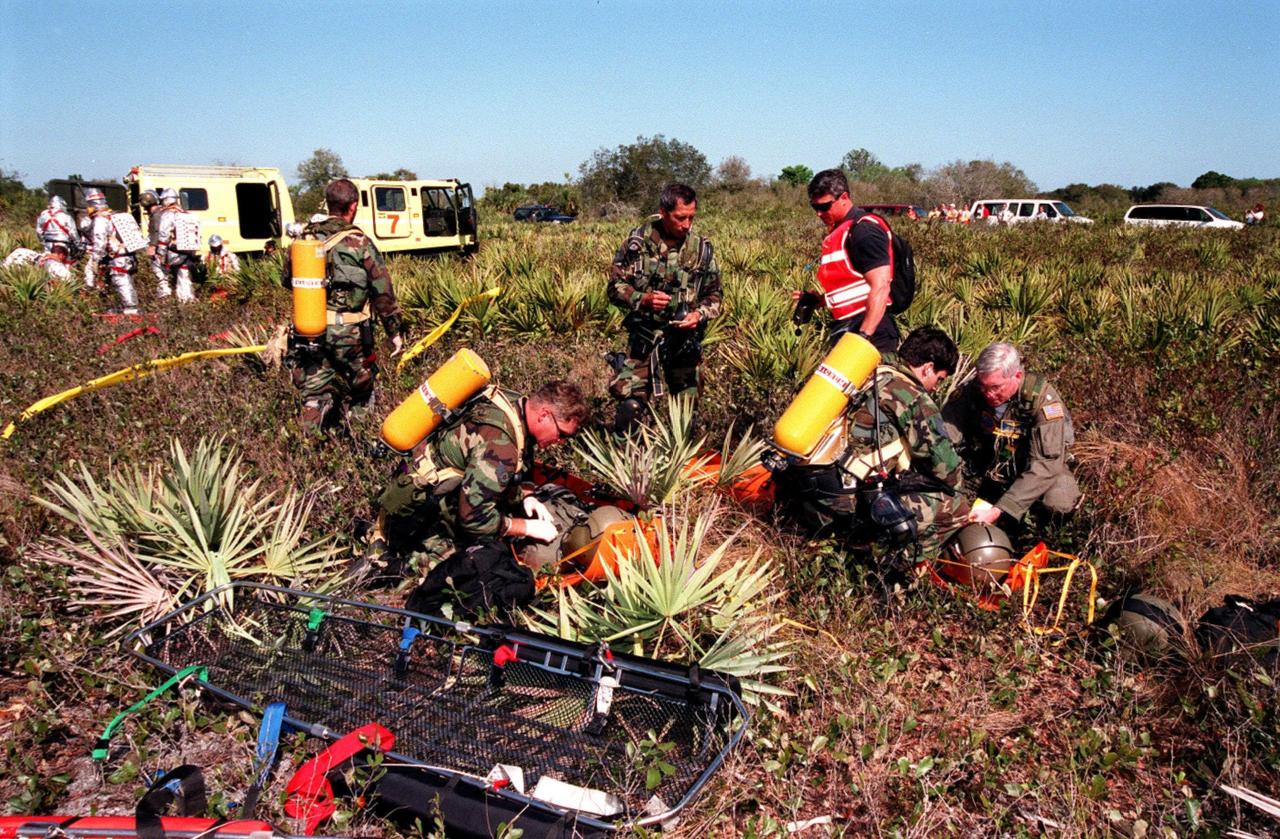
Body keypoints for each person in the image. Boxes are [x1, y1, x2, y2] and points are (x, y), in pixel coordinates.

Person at [374, 380, 589, 576]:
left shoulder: (513, 403)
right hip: (415, 513)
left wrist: (527, 495)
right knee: (465, 570)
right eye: (562, 434)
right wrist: (525, 526)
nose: (560, 442)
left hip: (422, 486)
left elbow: (524, 458)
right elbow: (474, 520)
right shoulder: (500, 447)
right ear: (544, 415)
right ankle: (384, 562)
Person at [282, 178, 405, 433]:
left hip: (309, 330)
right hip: (349, 335)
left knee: (313, 393)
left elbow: (287, 280)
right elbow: (382, 292)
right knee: (361, 386)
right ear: (353, 206)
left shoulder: (304, 237)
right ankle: (357, 441)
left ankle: (307, 447)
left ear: (329, 205)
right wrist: (394, 331)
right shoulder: (359, 243)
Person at [606, 183, 721, 432]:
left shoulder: (701, 249)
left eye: (691, 217)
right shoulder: (636, 245)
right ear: (663, 212)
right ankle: (626, 464)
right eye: (680, 217)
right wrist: (642, 298)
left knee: (686, 415)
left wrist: (698, 315)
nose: (687, 224)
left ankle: (679, 464)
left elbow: (714, 295)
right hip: (645, 341)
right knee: (630, 408)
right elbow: (614, 288)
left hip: (684, 343)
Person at [943, 342, 1080, 529]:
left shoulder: (1043, 402)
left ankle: (1038, 534)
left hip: (1035, 467)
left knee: (1059, 503)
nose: (989, 394)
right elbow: (944, 436)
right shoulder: (970, 392)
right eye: (983, 386)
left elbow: (1046, 465)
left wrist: (1000, 509)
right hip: (987, 463)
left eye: (996, 387)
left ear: (1016, 375)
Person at [803, 168, 901, 354]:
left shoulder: (864, 231)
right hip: (848, 327)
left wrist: (863, 338)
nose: (819, 214)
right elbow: (855, 286)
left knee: (873, 384)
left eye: (824, 207)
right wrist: (820, 301)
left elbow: (881, 286)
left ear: (844, 197)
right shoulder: (842, 231)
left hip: (872, 333)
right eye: (814, 207)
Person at [82, 189, 140, 314]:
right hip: (129, 256)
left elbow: (99, 241)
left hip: (117, 258)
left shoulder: (100, 220)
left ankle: (131, 309)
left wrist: (96, 260)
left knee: (120, 280)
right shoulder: (118, 215)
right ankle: (121, 307)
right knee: (118, 281)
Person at [154, 188, 199, 302]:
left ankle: (165, 296)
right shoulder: (187, 214)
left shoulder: (168, 214)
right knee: (184, 275)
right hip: (187, 253)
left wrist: (161, 252)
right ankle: (187, 300)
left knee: (157, 266)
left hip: (173, 252)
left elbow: (164, 234)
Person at [139, 189, 172, 298]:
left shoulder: (157, 215)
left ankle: (164, 293)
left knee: (159, 271)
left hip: (160, 248)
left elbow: (157, 231)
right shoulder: (160, 213)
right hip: (164, 248)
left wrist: (152, 246)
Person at [35, 195, 81, 262]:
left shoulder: (43, 216)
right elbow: (73, 233)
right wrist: (78, 244)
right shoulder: (66, 217)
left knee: (47, 261)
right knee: (64, 263)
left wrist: (43, 241)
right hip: (62, 245)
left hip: (47, 244)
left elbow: (38, 232)